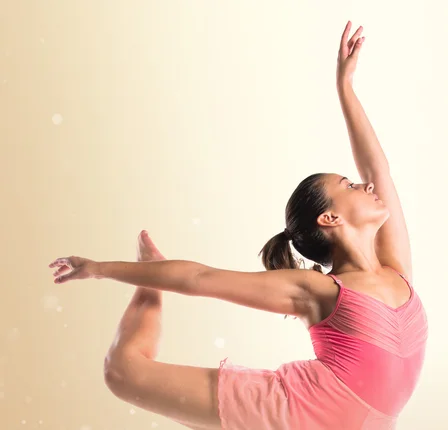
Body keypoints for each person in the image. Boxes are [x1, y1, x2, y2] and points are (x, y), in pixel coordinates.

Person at [49, 21, 428, 430]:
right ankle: (150, 285)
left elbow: (378, 168)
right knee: (121, 372)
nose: (367, 185)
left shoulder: (396, 270)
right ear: (330, 218)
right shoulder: (319, 291)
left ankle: (151, 279)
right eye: (349, 185)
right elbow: (200, 278)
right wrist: (100, 269)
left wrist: (346, 86)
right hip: (295, 411)